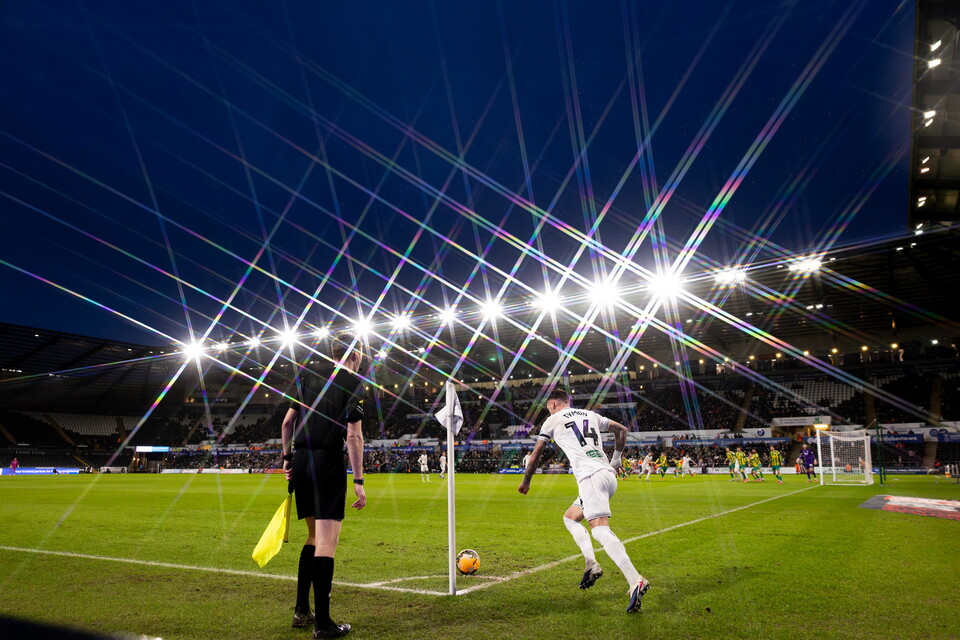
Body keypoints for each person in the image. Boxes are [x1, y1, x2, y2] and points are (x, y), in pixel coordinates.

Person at [518, 389, 650, 613]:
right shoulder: (590, 415)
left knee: (599, 530)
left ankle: (635, 579)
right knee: (570, 518)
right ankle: (591, 563)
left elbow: (536, 454)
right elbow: (621, 429)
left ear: (552, 405)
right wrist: (616, 459)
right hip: (607, 475)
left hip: (590, 478)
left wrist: (526, 481)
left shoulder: (552, 420)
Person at [281, 333, 367, 639]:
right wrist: (358, 480)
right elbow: (354, 436)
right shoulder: (353, 382)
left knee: (313, 537)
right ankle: (324, 625)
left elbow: (287, 424)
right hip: (327, 462)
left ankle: (301, 611)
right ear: (354, 354)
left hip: (302, 460)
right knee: (327, 544)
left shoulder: (306, 376)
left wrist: (288, 458)